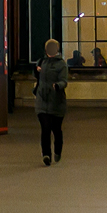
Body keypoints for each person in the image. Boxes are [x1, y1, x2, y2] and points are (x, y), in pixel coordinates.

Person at [33, 38, 68, 166]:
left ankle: (58, 150)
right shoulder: (41, 62)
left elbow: (64, 81)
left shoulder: (61, 64)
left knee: (56, 129)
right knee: (45, 128)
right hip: (42, 100)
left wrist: (58, 85)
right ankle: (46, 154)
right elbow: (36, 76)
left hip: (56, 101)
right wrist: (36, 70)